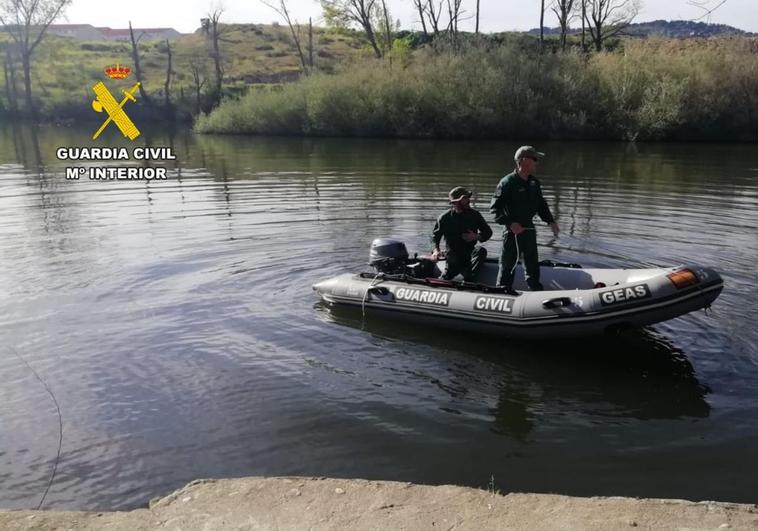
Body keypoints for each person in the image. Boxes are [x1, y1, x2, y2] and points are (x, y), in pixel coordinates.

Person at [489, 146, 560, 292]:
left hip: (529, 229)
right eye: (534, 159)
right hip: (512, 233)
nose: (537, 162)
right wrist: (510, 223)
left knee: (532, 263)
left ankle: (535, 290)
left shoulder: (534, 183)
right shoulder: (507, 182)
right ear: (523, 161)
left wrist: (550, 221)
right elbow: (495, 209)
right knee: (508, 264)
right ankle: (503, 290)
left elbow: (541, 204)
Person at [431, 186, 493, 281]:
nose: (468, 201)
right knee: (452, 260)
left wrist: (476, 236)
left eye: (468, 198)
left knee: (481, 251)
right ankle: (446, 276)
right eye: (465, 199)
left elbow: (488, 232)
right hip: (453, 255)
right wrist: (436, 250)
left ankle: (469, 277)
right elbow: (435, 237)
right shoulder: (444, 218)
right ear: (456, 202)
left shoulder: (475, 215)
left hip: (469, 254)